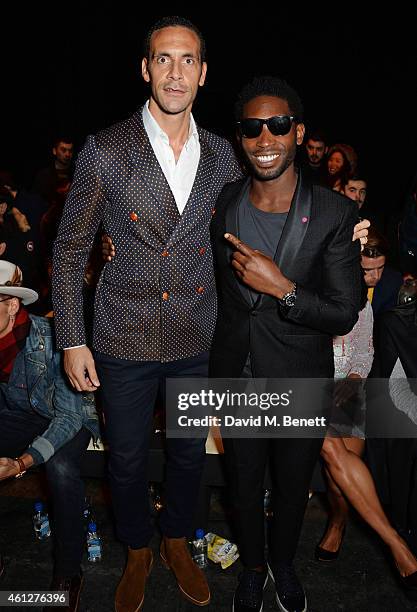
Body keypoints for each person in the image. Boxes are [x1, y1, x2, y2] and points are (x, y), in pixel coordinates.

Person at [52, 15, 242, 612]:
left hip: (197, 336)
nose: (175, 71)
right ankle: (136, 547)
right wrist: (71, 339)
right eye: (164, 58)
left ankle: (177, 540)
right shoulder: (106, 149)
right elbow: (69, 249)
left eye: (188, 59)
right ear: (145, 69)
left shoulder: (223, 156)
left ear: (204, 73)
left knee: (188, 453)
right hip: (121, 337)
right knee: (128, 458)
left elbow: (257, 230)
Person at [208, 75, 363, 612]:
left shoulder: (332, 214)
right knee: (243, 487)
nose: (265, 137)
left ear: (298, 133)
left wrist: (284, 289)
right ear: (240, 137)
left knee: (294, 489)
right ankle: (253, 569)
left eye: (277, 125)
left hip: (299, 377)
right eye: (252, 128)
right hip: (239, 377)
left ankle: (284, 565)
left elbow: (346, 310)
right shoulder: (225, 202)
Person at [0, 260, 100, 612]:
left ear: (12, 305)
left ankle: (68, 573)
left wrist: (22, 462)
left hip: (64, 419)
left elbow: (70, 416)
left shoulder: (50, 338)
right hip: (17, 417)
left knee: (60, 468)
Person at [315, 275, 417, 601]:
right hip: (304, 388)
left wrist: (355, 377)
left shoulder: (357, 296)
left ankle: (338, 520)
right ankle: (395, 543)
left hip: (347, 387)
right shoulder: (303, 288)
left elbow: (365, 350)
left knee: (341, 475)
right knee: (332, 450)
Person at [32, 135, 74, 203]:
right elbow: (35, 201)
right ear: (54, 151)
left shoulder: (76, 174)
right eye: (63, 150)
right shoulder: (43, 175)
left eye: (70, 151)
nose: (67, 154)